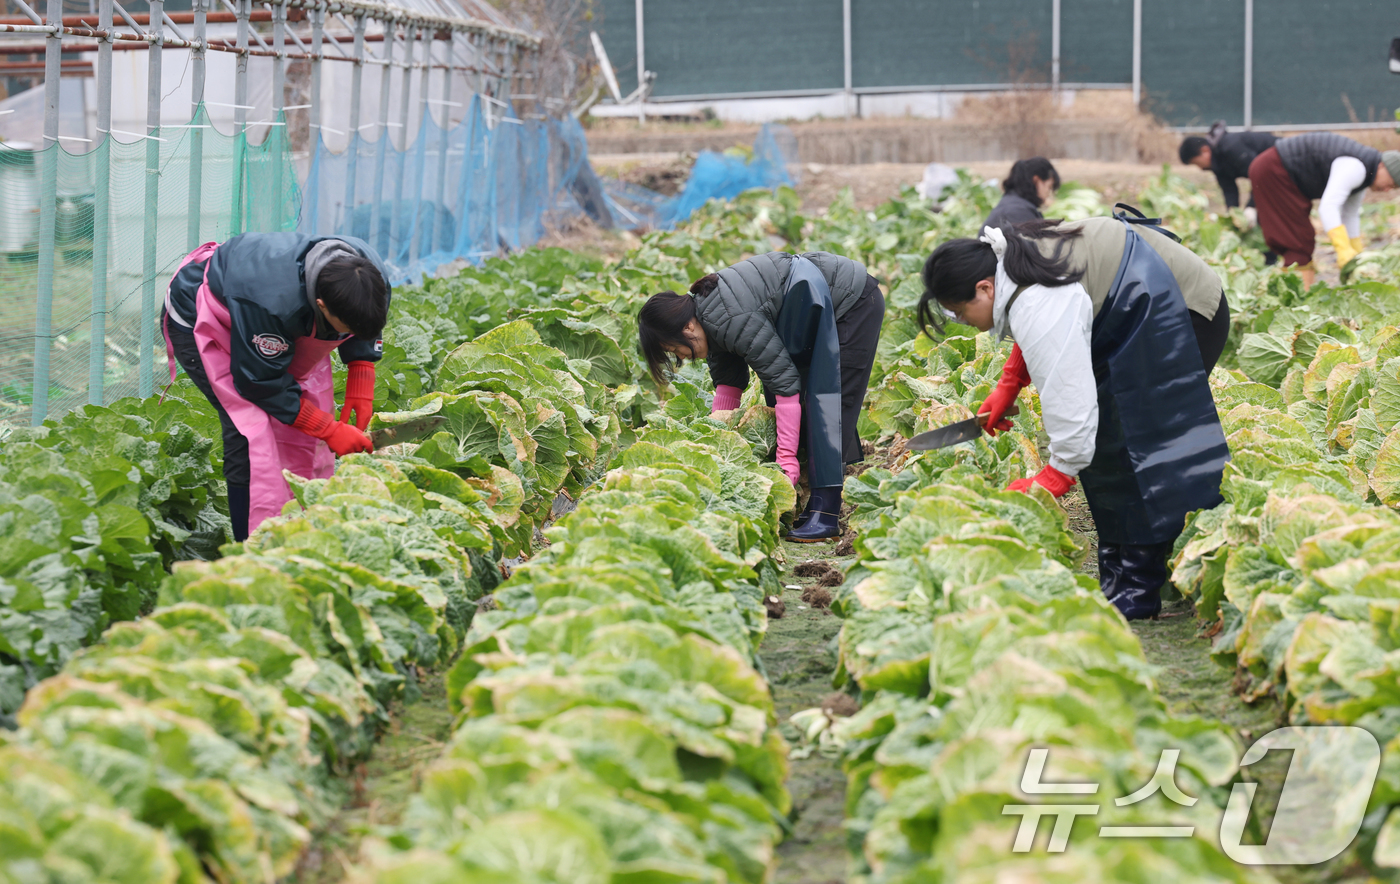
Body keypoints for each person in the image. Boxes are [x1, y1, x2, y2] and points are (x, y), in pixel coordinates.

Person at [916, 214, 1231, 620]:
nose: (964, 323)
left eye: (960, 313)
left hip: (1181, 308)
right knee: (1116, 441)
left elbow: (1070, 398)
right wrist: (1010, 381)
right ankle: (1125, 570)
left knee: (1137, 444)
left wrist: (1057, 474)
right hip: (1137, 302)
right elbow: (1046, 314)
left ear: (984, 287)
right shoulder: (1011, 257)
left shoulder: (1036, 300)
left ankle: (1140, 585)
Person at [638, 251, 884, 542]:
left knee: (829, 400)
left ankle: (826, 511)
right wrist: (716, 444)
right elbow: (729, 387)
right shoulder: (708, 322)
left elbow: (785, 383)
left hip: (851, 303)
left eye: (674, 349)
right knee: (802, 400)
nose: (680, 356)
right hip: (813, 307)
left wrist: (786, 460)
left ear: (687, 328)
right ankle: (814, 501)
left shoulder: (728, 317)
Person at [162, 233, 391, 542]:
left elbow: (366, 322)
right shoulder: (271, 302)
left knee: (302, 421)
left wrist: (361, 376)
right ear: (321, 306)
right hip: (204, 316)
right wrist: (329, 429)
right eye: (345, 330)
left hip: (264, 319)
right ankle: (251, 545)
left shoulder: (369, 274)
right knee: (248, 430)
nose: (349, 334)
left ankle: (304, 523)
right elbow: (259, 383)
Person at [1247, 132, 1400, 284]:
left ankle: (1302, 291)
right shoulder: (1356, 167)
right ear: (1382, 166)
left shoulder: (1366, 172)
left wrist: (1355, 249)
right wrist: (1343, 249)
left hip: (1282, 174)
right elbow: (1328, 208)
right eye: (1391, 183)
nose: (1388, 190)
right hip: (1272, 170)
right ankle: (1295, 298)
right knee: (1296, 241)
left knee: (1299, 240)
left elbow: (1350, 214)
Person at [1179, 126, 1277, 219]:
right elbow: (1229, 191)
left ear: (1205, 150)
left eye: (1196, 163)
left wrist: (1251, 206)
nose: (1200, 168)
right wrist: (1233, 216)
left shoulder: (1231, 147)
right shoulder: (1217, 164)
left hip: (1285, 164)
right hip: (1273, 174)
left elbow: (1262, 175)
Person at [984, 157, 1060, 231]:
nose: (1048, 194)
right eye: (1049, 187)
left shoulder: (1011, 204)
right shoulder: (1019, 213)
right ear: (1036, 181)